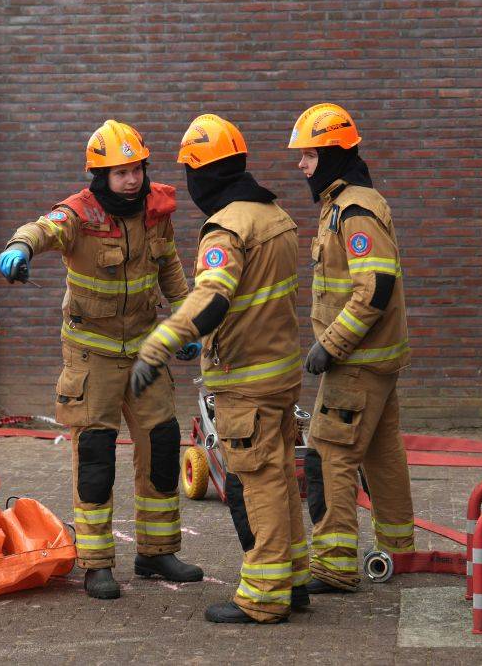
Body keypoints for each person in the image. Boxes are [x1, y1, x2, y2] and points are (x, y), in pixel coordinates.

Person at [0, 120, 204, 600]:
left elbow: (170, 268)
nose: (131, 180)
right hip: (93, 354)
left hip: (146, 352)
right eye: (120, 173)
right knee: (95, 457)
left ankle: (156, 552)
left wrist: (187, 321)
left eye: (136, 170)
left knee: (161, 445)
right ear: (100, 176)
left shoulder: (156, 212)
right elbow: (43, 229)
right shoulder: (79, 214)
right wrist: (20, 247)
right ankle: (96, 563)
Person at [131, 114, 308, 625]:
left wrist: (160, 344)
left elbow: (212, 298)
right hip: (280, 373)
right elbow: (254, 298)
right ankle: (293, 579)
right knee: (279, 476)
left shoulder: (227, 228)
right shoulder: (275, 215)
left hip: (246, 381)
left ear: (202, 175)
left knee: (258, 484)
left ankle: (264, 595)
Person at [287, 103, 415, 594]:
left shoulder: (355, 211)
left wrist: (331, 344)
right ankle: (399, 551)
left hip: (355, 363)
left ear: (335, 155)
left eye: (309, 155)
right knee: (381, 454)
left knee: (329, 455)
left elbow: (374, 288)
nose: (302, 164)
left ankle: (334, 565)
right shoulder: (345, 202)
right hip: (372, 360)